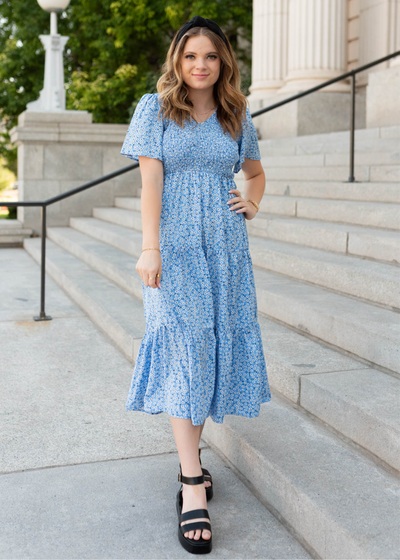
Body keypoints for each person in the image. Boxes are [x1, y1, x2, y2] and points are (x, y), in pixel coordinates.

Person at [120, 15, 272, 555]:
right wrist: (150, 247)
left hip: (226, 251)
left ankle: (193, 466)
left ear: (223, 61)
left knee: (207, 354)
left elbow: (253, 172)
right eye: (190, 56)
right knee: (184, 352)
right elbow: (149, 184)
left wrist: (249, 202)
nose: (200, 65)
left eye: (210, 56)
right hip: (174, 250)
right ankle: (191, 484)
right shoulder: (155, 109)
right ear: (177, 62)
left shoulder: (236, 114)